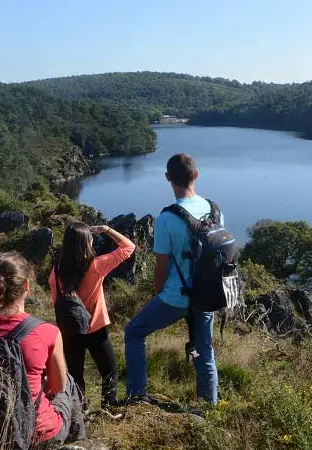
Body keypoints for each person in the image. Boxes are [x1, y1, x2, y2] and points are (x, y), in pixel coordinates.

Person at [0, 251, 85, 446]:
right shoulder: (47, 332)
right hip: (36, 434)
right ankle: (78, 442)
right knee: (69, 382)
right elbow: (57, 388)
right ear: (27, 287)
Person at [124, 153, 219, 405]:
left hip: (177, 296)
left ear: (168, 178)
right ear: (196, 175)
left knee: (134, 332)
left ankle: (137, 395)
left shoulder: (167, 218)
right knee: (205, 352)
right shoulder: (214, 209)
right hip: (208, 295)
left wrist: (158, 293)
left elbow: (161, 265)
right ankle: (209, 408)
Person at [49, 222, 135, 409]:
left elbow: (56, 302)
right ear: (85, 243)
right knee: (109, 369)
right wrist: (106, 229)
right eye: (90, 238)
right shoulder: (96, 266)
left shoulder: (56, 271)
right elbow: (129, 247)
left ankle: (79, 412)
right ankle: (108, 406)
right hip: (95, 327)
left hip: (70, 330)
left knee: (75, 374)